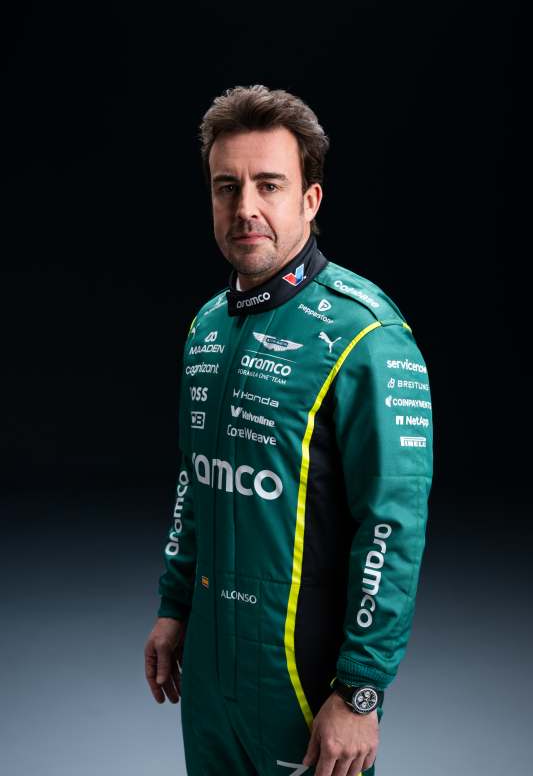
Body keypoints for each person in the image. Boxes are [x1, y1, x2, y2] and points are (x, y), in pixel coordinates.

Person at [144, 84, 433, 776]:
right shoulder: (206, 326)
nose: (245, 206)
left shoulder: (367, 334)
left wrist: (360, 692)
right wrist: (174, 606)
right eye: (227, 187)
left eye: (269, 185)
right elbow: (196, 481)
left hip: (303, 686)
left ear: (310, 200)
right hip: (208, 672)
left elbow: (392, 526)